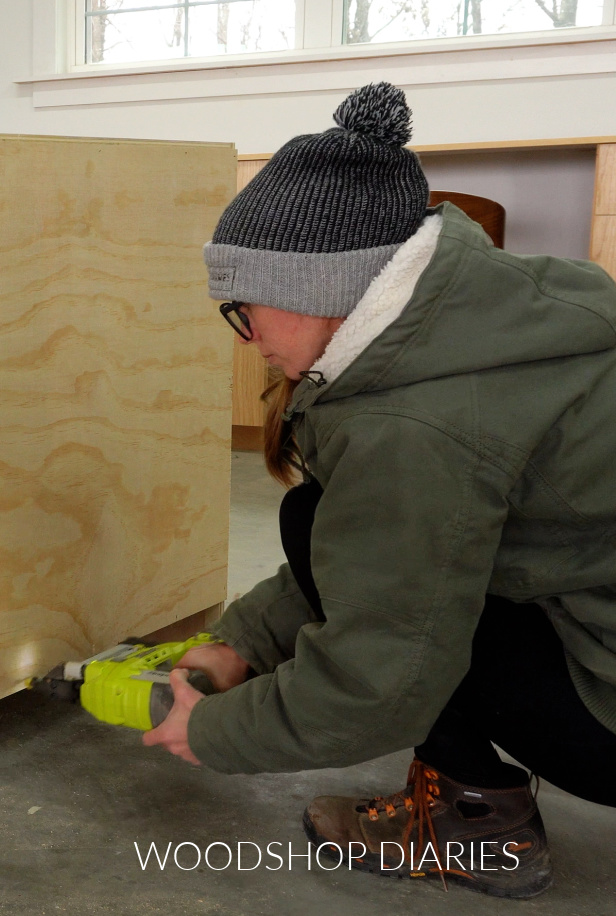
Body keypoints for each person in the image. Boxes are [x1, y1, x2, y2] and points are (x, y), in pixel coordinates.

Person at [141, 81, 616, 898]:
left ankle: (475, 825)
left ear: (321, 289)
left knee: (322, 522)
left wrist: (215, 730)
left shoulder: (414, 428)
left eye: (244, 305)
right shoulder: (521, 308)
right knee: (323, 518)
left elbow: (382, 680)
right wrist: (246, 640)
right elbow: (388, 547)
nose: (244, 336)